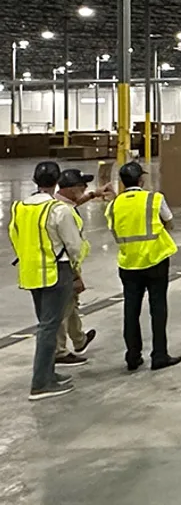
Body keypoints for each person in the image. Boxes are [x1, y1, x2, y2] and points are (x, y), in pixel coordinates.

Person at [9, 162, 84, 400]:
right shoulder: (58, 210)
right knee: (49, 327)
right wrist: (75, 268)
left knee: (46, 324)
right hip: (55, 273)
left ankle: (50, 373)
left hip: (31, 273)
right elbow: (74, 245)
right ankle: (40, 383)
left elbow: (14, 235)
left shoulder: (19, 207)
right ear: (57, 181)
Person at [106, 161, 181, 372]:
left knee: (131, 310)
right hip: (155, 260)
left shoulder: (114, 205)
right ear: (141, 180)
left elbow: (113, 230)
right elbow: (169, 221)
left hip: (128, 263)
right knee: (158, 308)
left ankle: (132, 355)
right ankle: (159, 355)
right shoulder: (154, 199)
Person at [53, 168, 108, 367]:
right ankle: (59, 351)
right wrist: (76, 276)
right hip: (64, 266)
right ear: (71, 188)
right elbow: (70, 248)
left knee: (70, 303)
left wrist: (94, 194)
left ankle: (79, 339)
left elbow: (74, 202)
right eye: (82, 186)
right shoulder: (62, 211)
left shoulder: (60, 203)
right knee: (61, 308)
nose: (85, 188)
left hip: (64, 265)